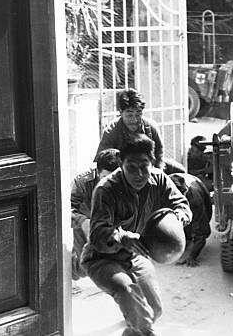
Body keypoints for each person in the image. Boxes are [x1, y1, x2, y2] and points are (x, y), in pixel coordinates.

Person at [82, 134, 192, 336]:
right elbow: (97, 235)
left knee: (154, 310)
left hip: (136, 256)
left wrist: (176, 219)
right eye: (131, 167)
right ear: (121, 165)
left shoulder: (159, 179)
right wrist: (121, 237)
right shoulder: (106, 189)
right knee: (132, 300)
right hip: (102, 259)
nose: (139, 174)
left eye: (144, 166)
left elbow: (182, 205)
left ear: (152, 163)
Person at [94, 88, 185, 174]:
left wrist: (157, 174)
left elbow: (159, 153)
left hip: (148, 166)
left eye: (138, 114)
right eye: (130, 115)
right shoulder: (111, 131)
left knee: (181, 171)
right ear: (121, 112)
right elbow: (102, 161)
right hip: (123, 170)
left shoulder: (150, 126)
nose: (134, 120)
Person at [70, 148, 120, 280]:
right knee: (84, 267)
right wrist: (82, 221)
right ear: (97, 173)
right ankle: (65, 274)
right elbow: (66, 210)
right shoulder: (82, 183)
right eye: (105, 178)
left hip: (111, 224)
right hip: (84, 225)